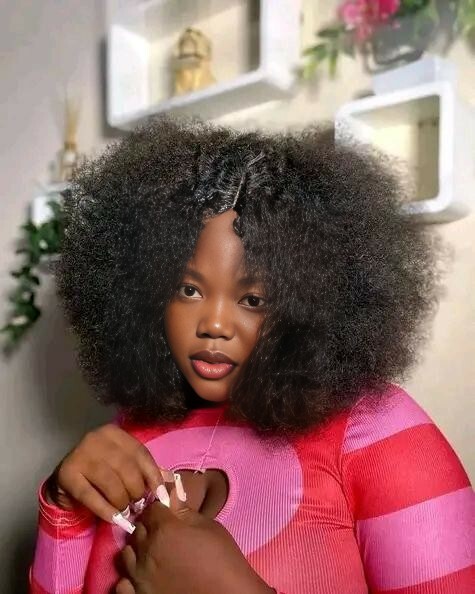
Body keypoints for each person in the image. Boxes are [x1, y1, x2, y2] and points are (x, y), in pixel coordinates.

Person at [30, 117, 474, 594]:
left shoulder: (377, 430)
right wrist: (63, 505)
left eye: (253, 299)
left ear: (312, 304)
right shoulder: (129, 435)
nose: (214, 324)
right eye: (188, 289)